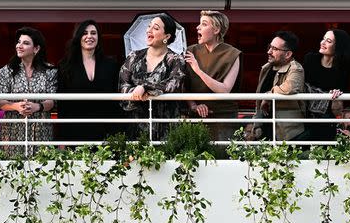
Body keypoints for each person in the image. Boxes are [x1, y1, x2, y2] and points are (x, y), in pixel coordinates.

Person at [119, 13, 186, 141]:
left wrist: (145, 87)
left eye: (155, 28)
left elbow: (174, 83)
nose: (149, 30)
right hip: (136, 127)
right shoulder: (134, 57)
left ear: (167, 36)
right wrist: (135, 92)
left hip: (166, 128)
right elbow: (122, 85)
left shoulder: (177, 60)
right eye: (149, 27)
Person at [0, 27, 58, 157]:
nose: (19, 46)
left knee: (41, 169)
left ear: (36, 48)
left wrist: (38, 106)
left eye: (25, 43)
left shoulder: (50, 71)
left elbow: (53, 100)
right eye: (19, 42)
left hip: (41, 130)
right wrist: (15, 106)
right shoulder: (7, 71)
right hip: (12, 130)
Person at [57, 20, 121, 143]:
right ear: (78, 37)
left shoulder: (111, 64)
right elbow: (62, 105)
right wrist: (62, 139)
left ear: (98, 37)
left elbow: (116, 102)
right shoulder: (65, 66)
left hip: (106, 131)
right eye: (85, 33)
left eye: (93, 33)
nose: (89, 36)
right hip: (75, 130)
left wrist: (116, 133)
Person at [184, 10, 242, 141]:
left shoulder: (232, 54)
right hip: (197, 116)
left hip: (224, 117)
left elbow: (225, 90)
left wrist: (198, 70)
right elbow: (184, 85)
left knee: (223, 158)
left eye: (204, 24)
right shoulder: (190, 51)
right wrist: (193, 106)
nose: (197, 27)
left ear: (216, 30)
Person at [247, 31, 306, 142]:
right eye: (270, 47)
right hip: (265, 130)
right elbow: (258, 99)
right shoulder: (266, 68)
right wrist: (257, 124)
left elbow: (290, 87)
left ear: (288, 54)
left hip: (287, 134)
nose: (269, 51)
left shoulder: (296, 68)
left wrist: (269, 95)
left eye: (274, 49)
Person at [303, 29, 350, 140]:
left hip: (327, 119)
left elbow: (337, 108)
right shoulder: (310, 59)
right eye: (323, 39)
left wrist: (337, 95)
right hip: (304, 114)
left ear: (338, 46)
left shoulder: (342, 70)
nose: (322, 42)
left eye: (329, 41)